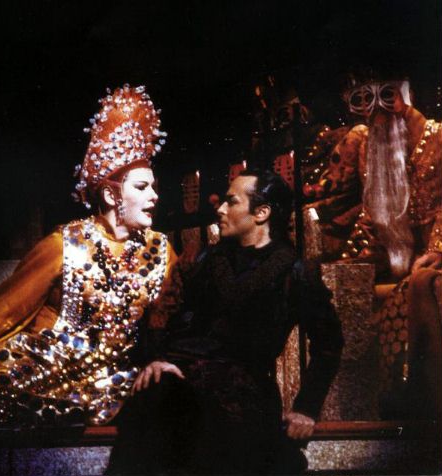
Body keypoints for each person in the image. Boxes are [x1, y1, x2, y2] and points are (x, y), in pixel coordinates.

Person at [0, 84, 182, 428]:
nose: (155, 196)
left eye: (153, 186)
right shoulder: (66, 244)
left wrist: (159, 359)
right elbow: (7, 307)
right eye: (142, 187)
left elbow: (165, 324)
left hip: (113, 377)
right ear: (111, 196)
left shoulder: (161, 252)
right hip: (47, 365)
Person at [108, 169, 343, 475]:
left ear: (261, 213)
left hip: (241, 395)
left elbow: (329, 344)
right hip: (180, 383)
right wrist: (157, 359)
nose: (220, 208)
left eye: (231, 201)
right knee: (154, 401)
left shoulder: (293, 271)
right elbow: (166, 318)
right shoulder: (206, 260)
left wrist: (306, 409)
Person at [334, 72, 442, 418]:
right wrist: (349, 264)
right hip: (399, 264)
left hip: (435, 261)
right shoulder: (371, 146)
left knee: (416, 288)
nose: (378, 111)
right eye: (364, 100)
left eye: (386, 97)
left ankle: (412, 396)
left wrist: (437, 248)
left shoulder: (438, 137)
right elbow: (373, 217)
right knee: (340, 287)